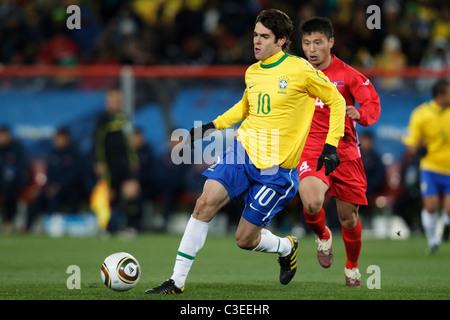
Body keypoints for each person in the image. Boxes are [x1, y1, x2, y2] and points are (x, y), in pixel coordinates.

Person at [146, 9, 346, 294]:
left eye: (264, 37)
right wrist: (209, 127)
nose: (256, 41)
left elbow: (336, 101)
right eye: (255, 35)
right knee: (204, 204)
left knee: (244, 239)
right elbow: (244, 108)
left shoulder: (300, 70)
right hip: (242, 153)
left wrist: (331, 144)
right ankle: (176, 281)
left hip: (276, 171)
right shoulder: (252, 72)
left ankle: (286, 246)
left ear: (281, 41)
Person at [297, 17, 381, 287]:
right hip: (310, 148)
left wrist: (360, 112)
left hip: (344, 149)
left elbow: (372, 101)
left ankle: (352, 267)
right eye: (307, 43)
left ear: (331, 43)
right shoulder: (296, 73)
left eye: (318, 42)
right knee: (311, 202)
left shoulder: (347, 74)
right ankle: (322, 236)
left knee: (348, 217)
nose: (312, 49)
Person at [403, 79, 450, 254]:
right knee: (430, 206)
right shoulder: (421, 114)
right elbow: (411, 143)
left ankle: (445, 225)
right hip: (430, 167)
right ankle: (433, 240)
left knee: (449, 209)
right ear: (440, 95)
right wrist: (419, 151)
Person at [94, 88, 140, 233]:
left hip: (124, 163)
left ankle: (130, 226)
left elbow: (129, 141)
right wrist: (99, 161)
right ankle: (109, 228)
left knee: (131, 192)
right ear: (107, 101)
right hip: (109, 164)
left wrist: (133, 158)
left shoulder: (124, 118)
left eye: (118, 100)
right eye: (112, 100)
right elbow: (98, 142)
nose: (115, 103)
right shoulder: (102, 119)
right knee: (111, 196)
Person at [25, 128, 82, 229]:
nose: (58, 141)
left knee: (62, 196)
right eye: (56, 139)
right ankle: (28, 225)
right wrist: (50, 186)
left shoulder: (74, 153)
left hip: (69, 188)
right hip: (53, 187)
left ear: (67, 139)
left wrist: (59, 186)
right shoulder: (53, 153)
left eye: (60, 139)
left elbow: (75, 174)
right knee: (39, 198)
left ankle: (58, 225)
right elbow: (49, 173)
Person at [0, 126, 29, 233]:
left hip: (14, 183)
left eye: (4, 135)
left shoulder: (16, 149)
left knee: (9, 191)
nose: (2, 138)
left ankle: (9, 221)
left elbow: (21, 168)